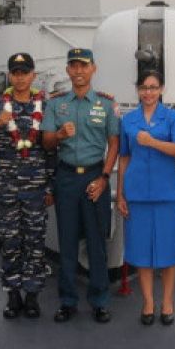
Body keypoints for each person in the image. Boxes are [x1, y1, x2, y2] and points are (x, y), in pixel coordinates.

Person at [0, 53, 52, 319]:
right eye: (15, 72)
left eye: (25, 72)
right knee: (11, 241)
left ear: (33, 75)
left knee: (35, 242)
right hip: (7, 189)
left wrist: (51, 186)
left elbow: (53, 150)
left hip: (36, 187)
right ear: (9, 76)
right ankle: (13, 295)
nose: (20, 77)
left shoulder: (46, 108)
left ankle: (33, 295)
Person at [41, 47, 120, 324]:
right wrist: (59, 134)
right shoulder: (55, 104)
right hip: (66, 178)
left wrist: (105, 178)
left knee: (97, 242)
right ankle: (68, 301)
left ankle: (99, 300)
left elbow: (114, 144)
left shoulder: (107, 105)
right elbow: (47, 141)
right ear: (67, 70)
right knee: (67, 241)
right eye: (73, 66)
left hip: (95, 176)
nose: (78, 71)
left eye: (83, 66)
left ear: (93, 69)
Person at [116, 69, 175, 326]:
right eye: (144, 87)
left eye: (153, 87)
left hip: (166, 192)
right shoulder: (128, 120)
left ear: (162, 89)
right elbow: (124, 157)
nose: (148, 92)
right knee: (142, 251)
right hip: (137, 193)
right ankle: (147, 302)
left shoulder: (173, 117)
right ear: (138, 90)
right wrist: (120, 193)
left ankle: (167, 302)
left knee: (169, 250)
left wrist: (152, 142)